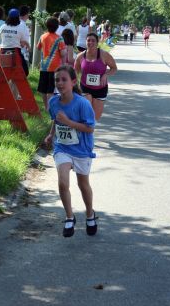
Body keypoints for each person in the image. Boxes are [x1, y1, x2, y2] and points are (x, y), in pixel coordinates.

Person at [44, 65, 97, 237]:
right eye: (57, 80)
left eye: (64, 79)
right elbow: (56, 121)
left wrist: (68, 122)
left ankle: (90, 214)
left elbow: (90, 129)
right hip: (62, 147)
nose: (59, 83)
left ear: (73, 82)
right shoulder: (53, 102)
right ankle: (69, 217)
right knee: (63, 182)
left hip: (81, 149)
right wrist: (50, 135)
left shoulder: (82, 104)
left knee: (83, 185)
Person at [74, 32, 117, 121]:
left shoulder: (104, 55)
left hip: (100, 89)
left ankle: (89, 132)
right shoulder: (80, 56)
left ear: (97, 43)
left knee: (94, 119)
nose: (90, 43)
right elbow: (75, 72)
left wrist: (106, 74)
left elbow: (114, 68)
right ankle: (84, 132)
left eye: (93, 41)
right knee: (85, 114)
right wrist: (74, 86)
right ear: (85, 42)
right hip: (85, 88)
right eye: (88, 40)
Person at [37, 17, 66, 109]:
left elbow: (38, 47)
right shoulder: (59, 38)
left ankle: (46, 106)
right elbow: (62, 53)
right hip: (55, 67)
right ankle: (49, 108)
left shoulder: (42, 36)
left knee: (43, 88)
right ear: (57, 27)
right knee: (50, 88)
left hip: (43, 66)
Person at [0, 8, 30, 77]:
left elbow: (0, 38)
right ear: (18, 17)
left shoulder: (2, 27)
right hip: (16, 52)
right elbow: (22, 43)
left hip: (3, 52)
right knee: (25, 71)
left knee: (5, 72)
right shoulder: (20, 28)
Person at [19, 5, 31, 75]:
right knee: (24, 73)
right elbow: (23, 42)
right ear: (26, 14)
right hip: (22, 52)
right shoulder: (23, 25)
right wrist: (28, 47)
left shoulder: (16, 23)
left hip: (17, 51)